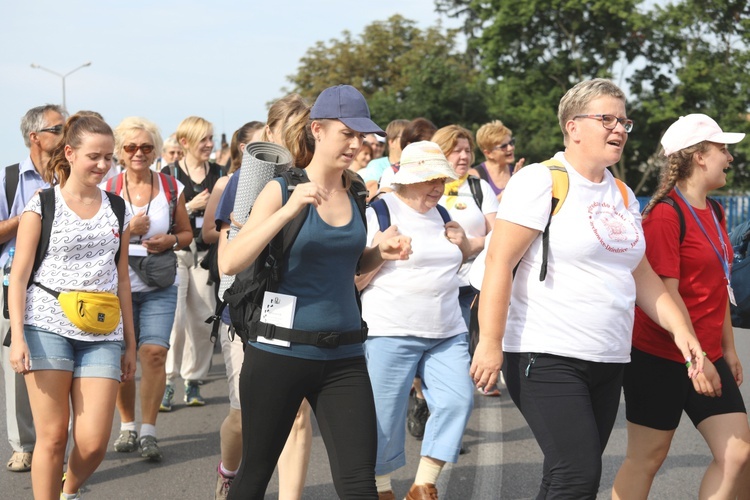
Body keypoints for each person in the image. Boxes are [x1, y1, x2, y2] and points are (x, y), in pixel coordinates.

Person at [471, 78, 708, 499]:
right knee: (576, 475)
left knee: (567, 477)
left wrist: (682, 331)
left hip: (608, 356)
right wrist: (490, 342)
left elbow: (643, 275)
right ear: (573, 126)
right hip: (545, 353)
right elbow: (499, 261)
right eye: (607, 119)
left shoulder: (622, 193)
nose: (619, 129)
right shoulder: (541, 181)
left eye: (624, 121)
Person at [219, 84, 409, 499]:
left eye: (362, 136)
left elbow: (349, 266)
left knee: (360, 483)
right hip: (278, 354)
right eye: (348, 134)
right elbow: (230, 262)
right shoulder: (281, 188)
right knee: (254, 476)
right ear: (318, 130)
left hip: (344, 356)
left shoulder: (357, 189)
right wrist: (289, 209)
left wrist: (380, 252)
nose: (357, 144)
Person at [612, 114, 750, 499]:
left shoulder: (717, 211)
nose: (730, 157)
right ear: (699, 156)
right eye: (723, 149)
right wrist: (696, 359)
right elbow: (665, 295)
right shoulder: (664, 215)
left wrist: (727, 349)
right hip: (661, 356)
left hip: (706, 353)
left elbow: (720, 284)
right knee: (648, 457)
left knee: (739, 454)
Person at [7, 113, 137, 500]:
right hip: (46, 329)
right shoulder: (42, 204)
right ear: (70, 153)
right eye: (93, 156)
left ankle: (69, 489)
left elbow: (123, 279)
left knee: (95, 442)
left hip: (102, 332)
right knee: (51, 437)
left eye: (109, 158)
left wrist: (131, 342)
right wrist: (17, 338)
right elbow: (19, 276)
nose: (102, 165)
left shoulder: (118, 208)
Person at [357, 141, 474, 500]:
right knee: (383, 416)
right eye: (430, 179)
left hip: (447, 328)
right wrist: (378, 251)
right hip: (390, 329)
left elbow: (461, 261)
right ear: (406, 179)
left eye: (441, 179)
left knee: (458, 400)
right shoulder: (379, 211)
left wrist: (465, 244)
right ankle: (380, 488)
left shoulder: (442, 214)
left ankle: (424, 483)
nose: (438, 186)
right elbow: (352, 272)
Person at [108, 117, 193, 461]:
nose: (138, 153)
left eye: (145, 147)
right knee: (122, 358)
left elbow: (187, 234)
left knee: (154, 353)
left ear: (155, 150)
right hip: (116, 285)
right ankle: (127, 426)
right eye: (131, 147)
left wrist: (171, 239)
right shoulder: (109, 187)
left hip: (159, 282)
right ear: (121, 152)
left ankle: (148, 431)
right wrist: (130, 228)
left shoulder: (171, 188)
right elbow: (98, 237)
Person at [0, 104, 66, 473]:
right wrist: (28, 214)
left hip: (65, 284)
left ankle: (56, 445)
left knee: (62, 362)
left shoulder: (72, 175)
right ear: (35, 137)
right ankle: (24, 444)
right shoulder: (10, 178)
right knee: (17, 362)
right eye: (58, 128)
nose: (64, 134)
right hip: (16, 279)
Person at [202, 120, 264, 499]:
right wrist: (241, 231)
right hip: (239, 303)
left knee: (291, 417)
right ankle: (229, 472)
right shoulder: (231, 184)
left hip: (281, 309)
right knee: (242, 413)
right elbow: (212, 232)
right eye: (259, 145)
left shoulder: (293, 180)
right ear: (242, 149)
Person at [161, 116, 223, 409]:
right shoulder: (168, 174)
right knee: (175, 322)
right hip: (175, 254)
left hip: (205, 257)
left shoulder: (220, 174)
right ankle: (167, 382)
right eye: (203, 140)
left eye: (211, 138)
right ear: (185, 143)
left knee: (203, 318)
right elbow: (160, 217)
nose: (209, 145)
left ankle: (194, 380)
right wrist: (190, 207)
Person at [433, 125, 499, 395]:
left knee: (460, 350)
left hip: (470, 286)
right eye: (455, 151)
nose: (463, 157)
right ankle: (424, 395)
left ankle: (450, 402)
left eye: (467, 151)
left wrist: (471, 245)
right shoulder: (423, 186)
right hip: (434, 285)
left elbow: (499, 235)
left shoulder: (479, 187)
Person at [377, 117, 438, 193]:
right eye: (426, 147)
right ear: (410, 145)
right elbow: (383, 199)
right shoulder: (393, 172)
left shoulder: (439, 171)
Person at [470, 120, 525, 200]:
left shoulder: (517, 173)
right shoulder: (475, 176)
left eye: (511, 142)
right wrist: (511, 188)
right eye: (503, 146)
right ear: (488, 153)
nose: (511, 148)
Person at [358, 119, 409, 186]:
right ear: (392, 142)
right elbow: (370, 191)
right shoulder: (377, 165)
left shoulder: (418, 165)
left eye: (414, 138)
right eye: (405, 138)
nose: (410, 142)